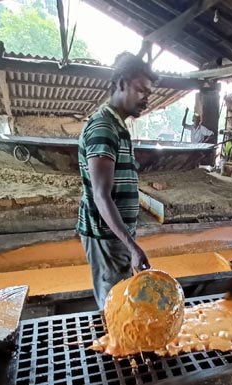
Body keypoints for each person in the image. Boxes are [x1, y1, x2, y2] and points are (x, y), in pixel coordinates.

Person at [77, 52, 155, 309]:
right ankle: (113, 345)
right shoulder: (104, 128)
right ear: (121, 83)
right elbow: (101, 195)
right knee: (115, 307)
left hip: (113, 236)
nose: (146, 98)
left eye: (149, 92)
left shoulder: (116, 126)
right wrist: (131, 246)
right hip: (107, 236)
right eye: (141, 90)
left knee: (119, 300)